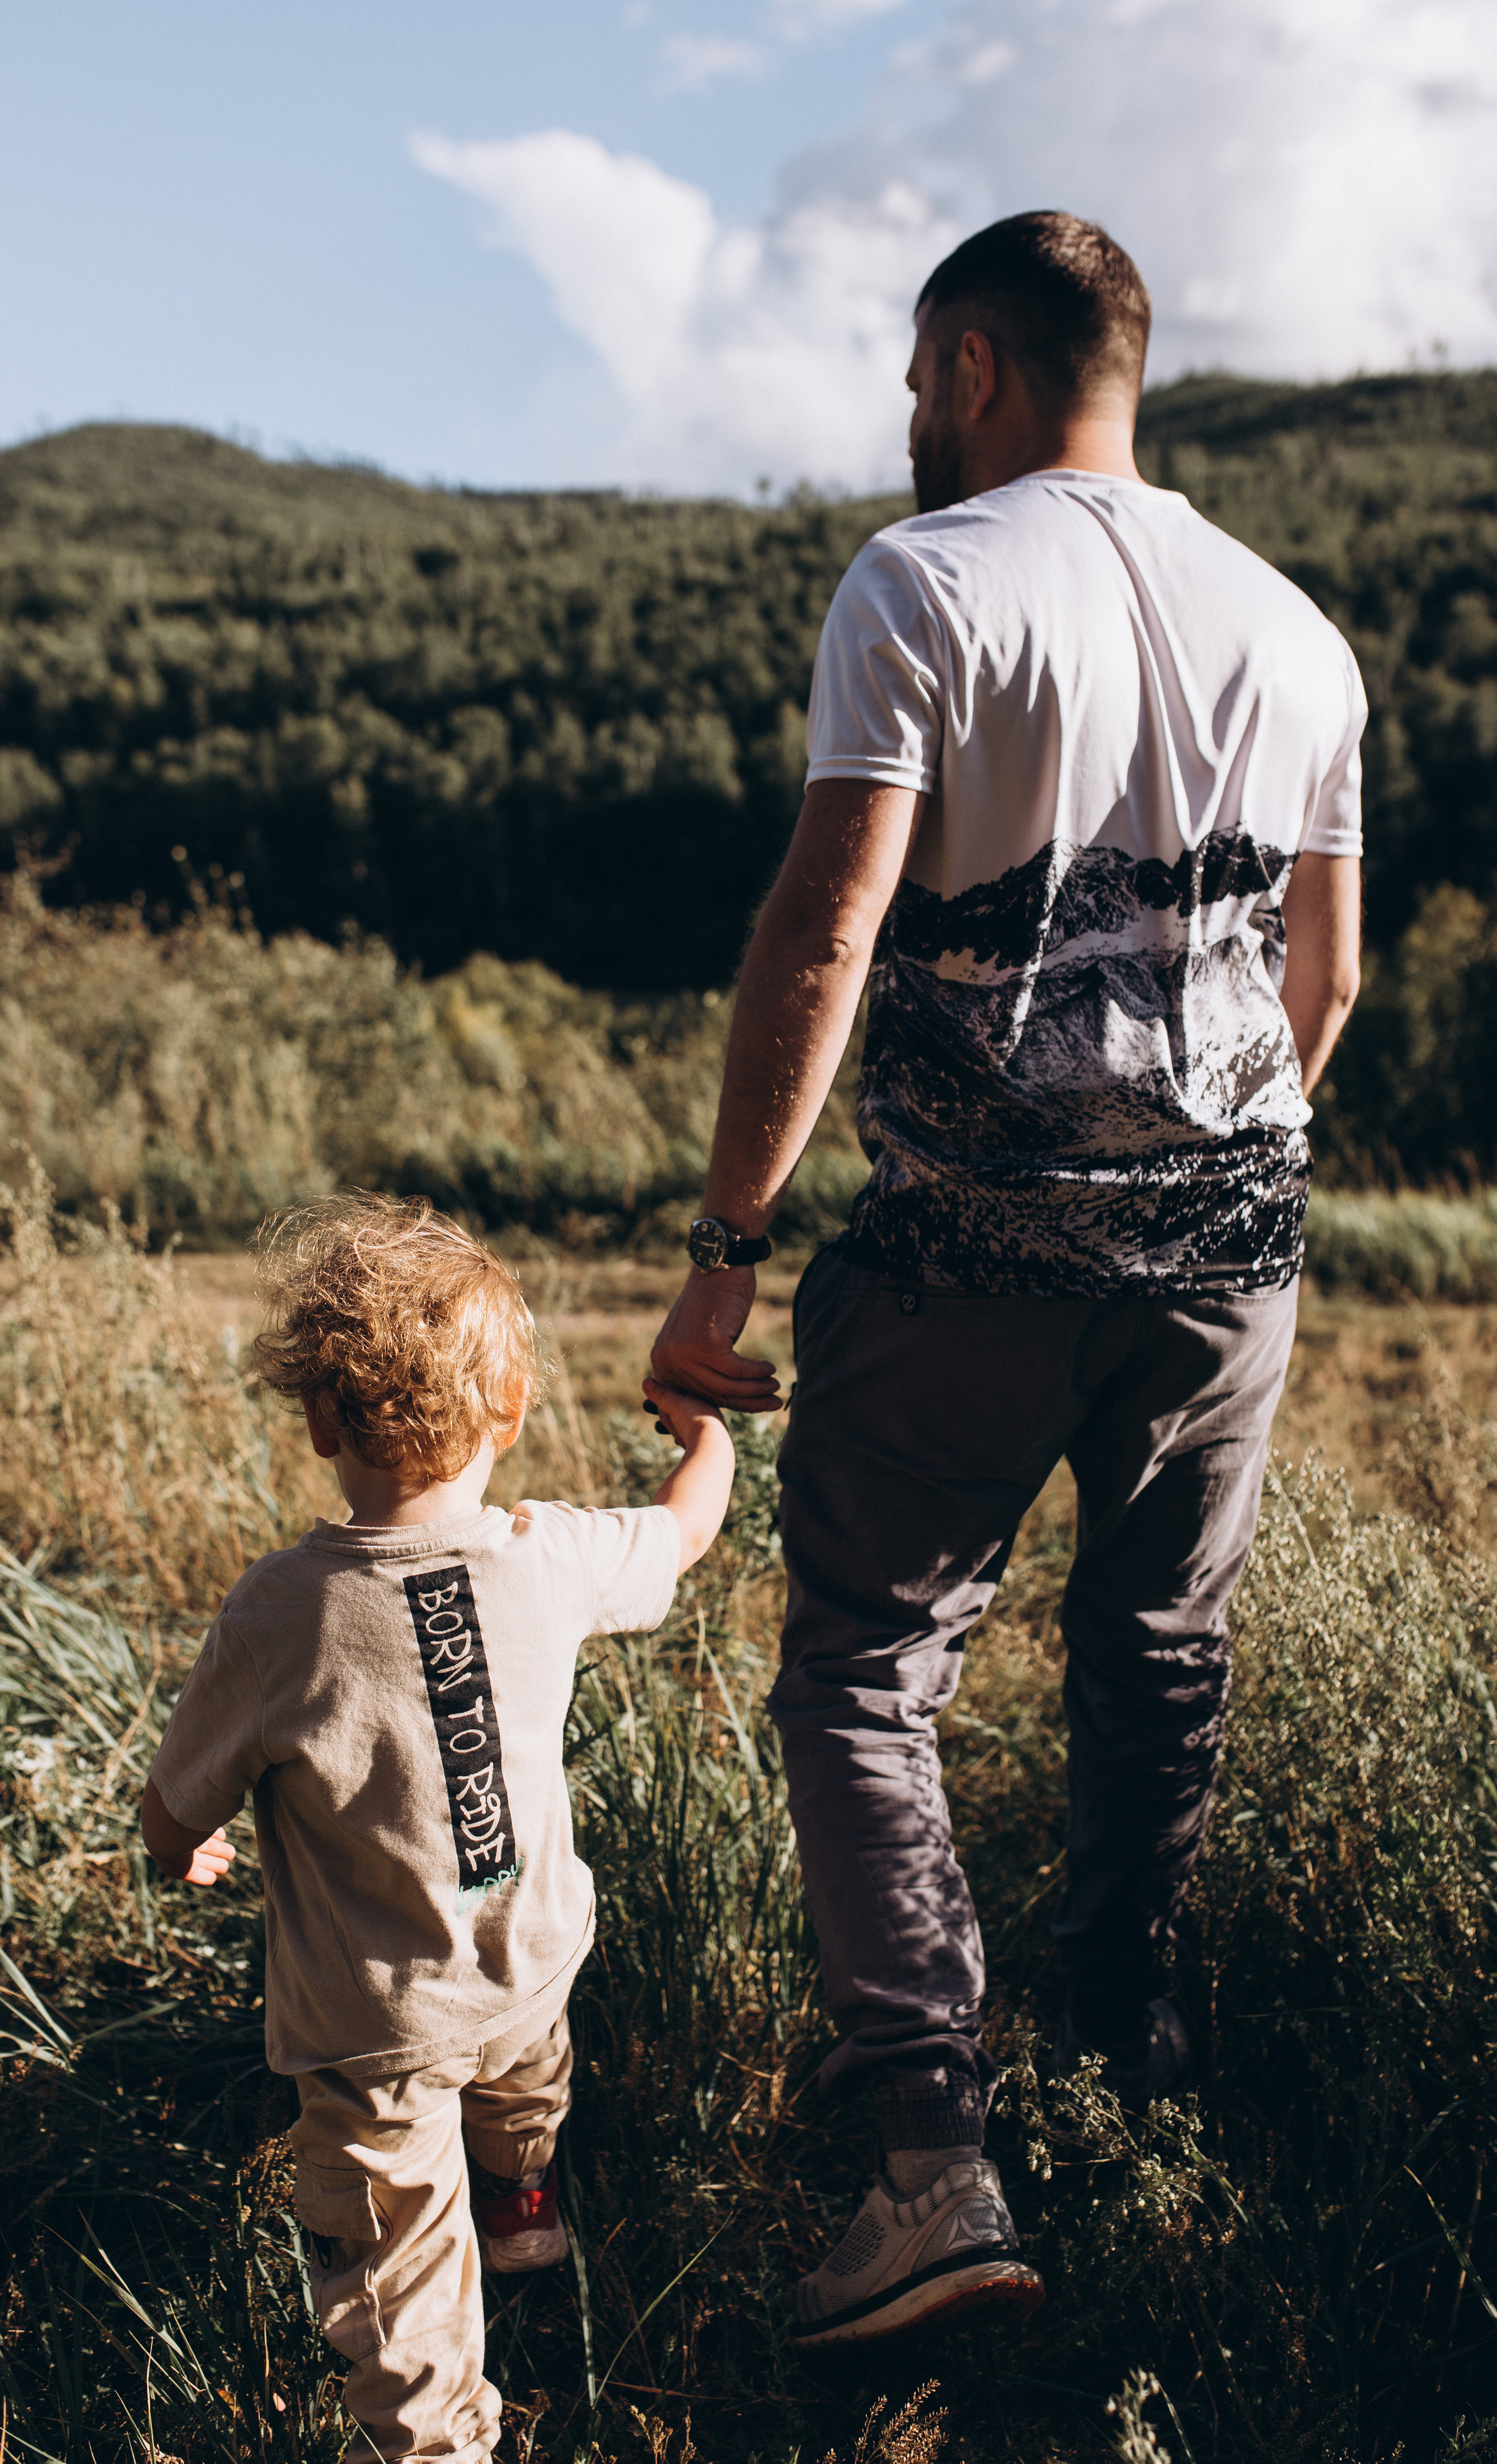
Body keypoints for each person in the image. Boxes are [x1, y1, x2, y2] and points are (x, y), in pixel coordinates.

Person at [651, 210, 1364, 2350]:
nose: (907, 417)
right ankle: (1132, 2081)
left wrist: (726, 1254)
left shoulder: (925, 583)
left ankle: (929, 2165)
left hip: (967, 1248)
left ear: (973, 364)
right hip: (1229, 1256)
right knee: (1160, 1657)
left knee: (868, 1676)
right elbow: (1325, 981)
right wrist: (1195, 1173)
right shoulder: (1302, 634)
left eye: (914, 378)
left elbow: (828, 926)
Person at [142, 1194, 734, 2462]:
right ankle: (522, 2207)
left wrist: (178, 1849)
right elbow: (686, 1530)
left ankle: (430, 2441)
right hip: (529, 1965)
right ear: (510, 1412)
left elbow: (175, 1804)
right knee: (524, 2086)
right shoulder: (549, 1557)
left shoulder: (280, 1614)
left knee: (397, 2266)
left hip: (377, 2034)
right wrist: (706, 1431)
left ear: (319, 1422)